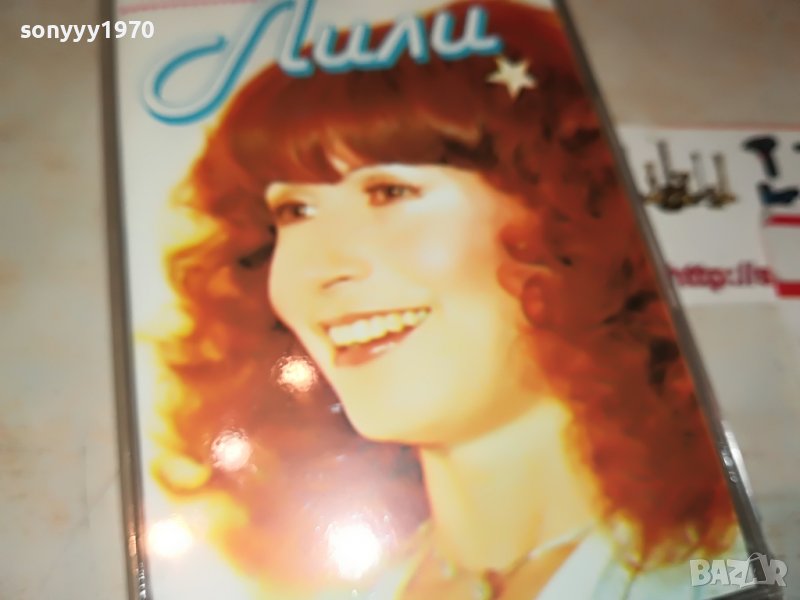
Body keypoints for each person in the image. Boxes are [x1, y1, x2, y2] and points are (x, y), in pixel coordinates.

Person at [152, 1, 742, 598]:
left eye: (390, 191)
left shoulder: (727, 567)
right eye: (294, 211)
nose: (321, 269)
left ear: (568, 213)